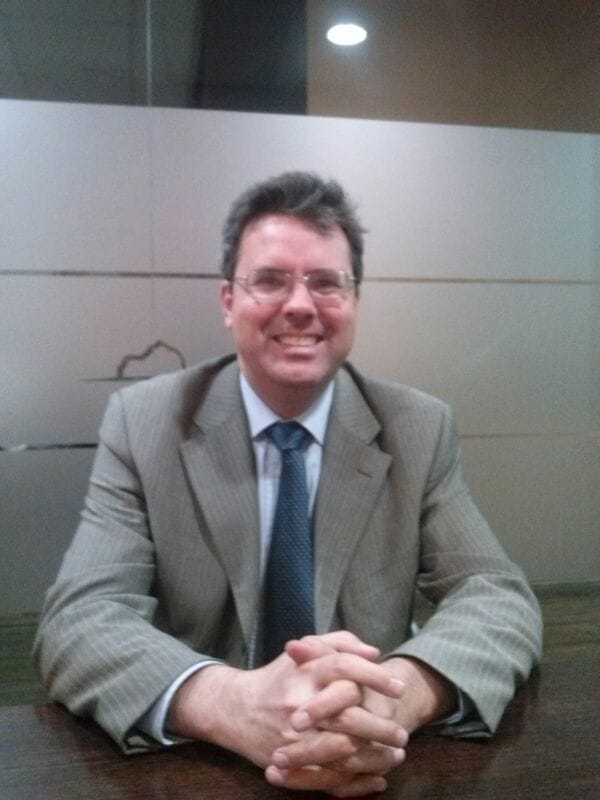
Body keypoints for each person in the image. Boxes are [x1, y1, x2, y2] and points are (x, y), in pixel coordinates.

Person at [35, 171, 542, 797]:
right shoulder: (145, 424)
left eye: (326, 282)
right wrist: (230, 703)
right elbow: (80, 618)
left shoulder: (417, 428)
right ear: (228, 300)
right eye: (270, 279)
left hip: (372, 761)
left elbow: (497, 596)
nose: (300, 305)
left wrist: (397, 699)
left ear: (354, 301)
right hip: (204, 770)